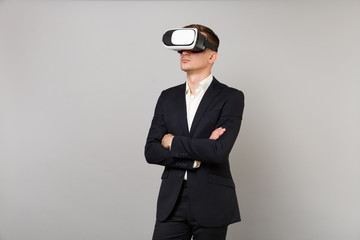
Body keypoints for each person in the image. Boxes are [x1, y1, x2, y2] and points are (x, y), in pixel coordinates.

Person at [145, 24, 245, 240]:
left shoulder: (231, 97)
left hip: (213, 201)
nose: (185, 53)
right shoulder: (167, 97)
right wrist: (196, 157)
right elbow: (151, 151)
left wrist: (172, 141)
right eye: (182, 49)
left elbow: (218, 151)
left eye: (195, 47)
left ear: (213, 56)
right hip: (172, 202)